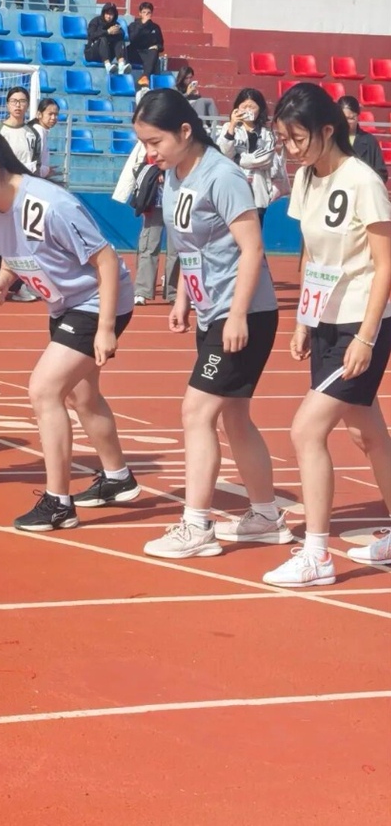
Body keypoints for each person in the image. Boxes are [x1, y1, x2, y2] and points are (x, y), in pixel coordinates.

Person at [0, 130, 140, 530]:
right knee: (82, 396)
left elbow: (105, 260)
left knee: (44, 390)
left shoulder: (50, 204)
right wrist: (4, 279)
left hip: (97, 301)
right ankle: (118, 478)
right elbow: (17, 249)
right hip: (64, 304)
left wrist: (105, 328)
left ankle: (58, 503)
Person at [132, 89, 284, 559]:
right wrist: (183, 297)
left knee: (196, 412)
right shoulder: (174, 175)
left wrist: (237, 314)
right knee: (235, 417)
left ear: (185, 131)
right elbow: (190, 246)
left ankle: (196, 525)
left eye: (155, 142)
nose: (149, 152)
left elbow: (252, 247)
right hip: (210, 310)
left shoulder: (222, 175)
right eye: (143, 143)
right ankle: (267, 516)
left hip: (243, 313)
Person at [263, 84, 391, 586]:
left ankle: (316, 555)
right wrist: (303, 319)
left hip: (363, 323)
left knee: (306, 430)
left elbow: (385, 266)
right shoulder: (305, 180)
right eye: (285, 140)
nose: (292, 149)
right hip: (326, 322)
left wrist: (365, 338)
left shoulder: (363, 181)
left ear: (328, 130)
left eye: (299, 139)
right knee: (367, 433)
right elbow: (313, 256)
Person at [0, 88, 41, 302]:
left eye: (22, 101)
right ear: (7, 104)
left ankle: (19, 285)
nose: (18, 105)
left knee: (20, 239)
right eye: (14, 101)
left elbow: (36, 162)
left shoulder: (32, 134)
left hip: (23, 191)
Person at [112, 134, 178, 306]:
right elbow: (137, 165)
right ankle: (142, 291)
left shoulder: (183, 139)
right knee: (149, 245)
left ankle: (173, 292)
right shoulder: (150, 139)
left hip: (178, 201)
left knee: (176, 249)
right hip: (154, 200)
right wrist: (155, 172)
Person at [216, 88, 276, 227]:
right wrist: (232, 125)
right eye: (244, 107)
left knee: (256, 229)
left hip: (258, 189)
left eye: (252, 107)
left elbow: (266, 159)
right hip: (234, 186)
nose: (248, 110)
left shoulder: (267, 133)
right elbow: (223, 153)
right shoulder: (228, 128)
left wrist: (238, 159)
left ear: (260, 109)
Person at [338, 95, 388, 183]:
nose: (347, 122)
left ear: (358, 117)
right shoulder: (331, 140)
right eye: (343, 118)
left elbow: (381, 174)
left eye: (351, 118)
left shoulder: (369, 141)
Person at [84, 3, 131, 75]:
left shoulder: (115, 24)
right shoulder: (95, 21)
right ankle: (108, 66)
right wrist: (107, 32)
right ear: (103, 13)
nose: (109, 16)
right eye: (107, 13)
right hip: (92, 53)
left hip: (108, 54)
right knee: (103, 39)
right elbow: (91, 35)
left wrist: (117, 32)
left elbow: (122, 34)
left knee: (120, 41)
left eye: (111, 14)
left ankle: (121, 66)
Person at [127, 2, 164, 87]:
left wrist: (157, 46)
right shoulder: (133, 25)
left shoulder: (155, 27)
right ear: (140, 14)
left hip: (148, 54)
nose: (146, 15)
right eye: (144, 12)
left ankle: (145, 77)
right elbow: (132, 39)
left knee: (154, 52)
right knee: (154, 61)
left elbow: (161, 45)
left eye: (148, 13)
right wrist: (142, 25)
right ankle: (145, 79)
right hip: (135, 52)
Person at [28, 97, 60, 179]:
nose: (53, 117)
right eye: (50, 114)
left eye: (56, 114)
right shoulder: (38, 132)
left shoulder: (41, 131)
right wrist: (47, 171)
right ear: (39, 114)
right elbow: (32, 163)